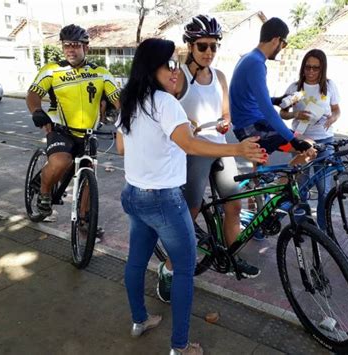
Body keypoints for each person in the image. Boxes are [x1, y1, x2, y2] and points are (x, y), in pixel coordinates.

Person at [116, 38, 266, 355]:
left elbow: (122, 147)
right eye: (169, 64)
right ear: (151, 67)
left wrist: (173, 136)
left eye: (175, 64)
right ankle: (180, 347)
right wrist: (236, 148)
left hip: (133, 195)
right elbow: (190, 146)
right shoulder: (166, 103)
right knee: (184, 269)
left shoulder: (130, 100)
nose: (175, 71)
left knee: (136, 261)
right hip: (163, 201)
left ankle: (138, 321)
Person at [156, 14, 260, 305]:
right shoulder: (178, 78)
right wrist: (184, 121)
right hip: (194, 151)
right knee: (188, 214)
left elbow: (226, 114)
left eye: (214, 46)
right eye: (202, 46)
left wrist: (225, 123)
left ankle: (231, 258)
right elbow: (163, 108)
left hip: (221, 148)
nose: (209, 53)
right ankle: (169, 269)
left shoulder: (220, 77)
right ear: (189, 45)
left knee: (234, 206)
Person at [26, 24, 120, 230]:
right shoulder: (52, 70)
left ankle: (85, 220)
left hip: (88, 133)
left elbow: (117, 98)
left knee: (88, 175)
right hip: (60, 129)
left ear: (86, 48)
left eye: (75, 45)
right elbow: (33, 94)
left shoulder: (101, 73)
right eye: (66, 45)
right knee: (61, 161)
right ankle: (44, 192)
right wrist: (36, 111)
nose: (70, 49)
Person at [229, 17, 314, 157]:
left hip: (244, 126)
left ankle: (258, 178)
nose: (282, 48)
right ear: (276, 40)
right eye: (284, 43)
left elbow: (249, 95)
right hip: (253, 128)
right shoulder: (257, 64)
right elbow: (267, 110)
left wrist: (276, 100)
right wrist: (293, 140)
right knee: (310, 145)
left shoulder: (247, 58)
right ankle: (286, 180)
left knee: (261, 173)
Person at [280, 49, 341, 230]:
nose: (311, 71)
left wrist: (332, 118)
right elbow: (282, 113)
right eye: (308, 67)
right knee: (301, 187)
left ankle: (324, 229)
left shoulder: (329, 86)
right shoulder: (294, 88)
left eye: (316, 68)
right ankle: (303, 226)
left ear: (322, 69)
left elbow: (337, 109)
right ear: (303, 67)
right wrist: (295, 113)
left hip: (325, 140)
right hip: (301, 142)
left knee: (325, 189)